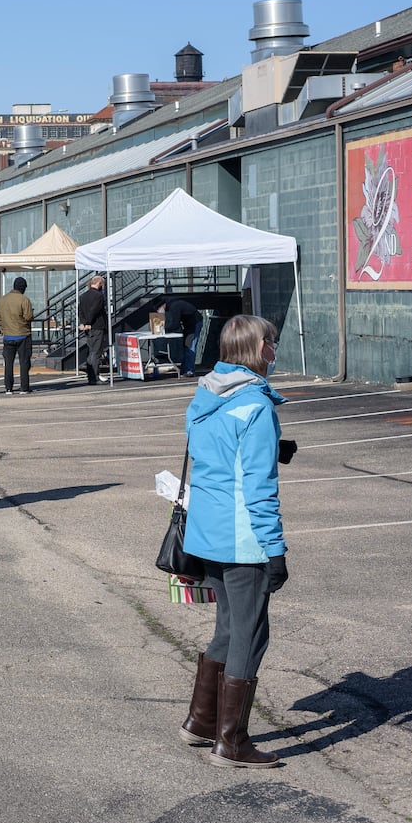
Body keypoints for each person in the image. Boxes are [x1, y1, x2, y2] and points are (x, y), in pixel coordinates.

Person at [178, 315, 289, 769]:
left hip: (206, 534)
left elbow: (216, 461)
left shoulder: (205, 396)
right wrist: (276, 550)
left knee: (228, 627)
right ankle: (232, 741)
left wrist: (276, 447)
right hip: (243, 538)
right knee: (250, 633)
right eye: (273, 343)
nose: (275, 350)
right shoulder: (257, 407)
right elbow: (258, 488)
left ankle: (201, 722)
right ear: (258, 348)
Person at [0, 276, 36, 396]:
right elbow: (28, 317)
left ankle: (8, 388)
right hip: (23, 335)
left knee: (8, 363)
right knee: (24, 363)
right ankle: (24, 387)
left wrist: (4, 329)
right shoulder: (24, 300)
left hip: (8, 336)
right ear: (23, 288)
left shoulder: (3, 300)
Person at [78, 274, 109, 385]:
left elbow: (80, 311)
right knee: (96, 352)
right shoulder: (99, 296)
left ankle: (90, 376)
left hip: (88, 327)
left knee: (91, 352)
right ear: (99, 283)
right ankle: (94, 377)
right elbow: (95, 310)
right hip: (97, 326)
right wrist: (89, 322)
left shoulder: (83, 296)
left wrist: (84, 323)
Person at [160, 297, 202, 376]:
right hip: (189, 324)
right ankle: (186, 368)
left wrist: (163, 327)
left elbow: (175, 324)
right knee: (187, 345)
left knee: (190, 346)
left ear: (163, 305)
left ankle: (189, 370)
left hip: (194, 323)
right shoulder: (173, 304)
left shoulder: (174, 306)